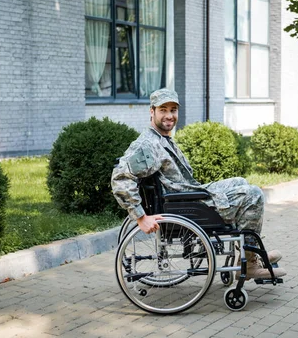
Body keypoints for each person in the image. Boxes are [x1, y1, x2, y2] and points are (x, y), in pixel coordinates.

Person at [111, 88, 286, 280]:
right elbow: (120, 177)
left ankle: (248, 254)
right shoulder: (148, 145)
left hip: (187, 196)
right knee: (254, 195)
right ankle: (249, 263)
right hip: (184, 204)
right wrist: (140, 217)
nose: (169, 116)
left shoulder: (160, 139)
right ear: (152, 112)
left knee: (240, 182)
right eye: (163, 110)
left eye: (173, 110)